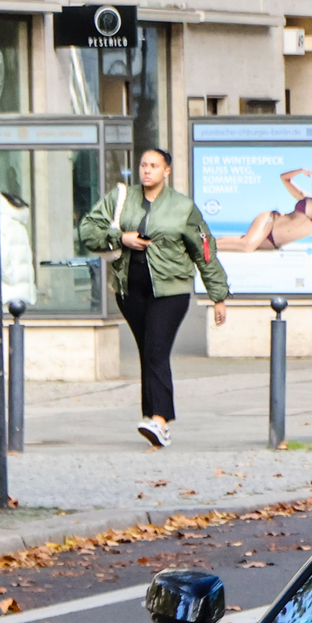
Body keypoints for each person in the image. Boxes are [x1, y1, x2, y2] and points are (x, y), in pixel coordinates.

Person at [76, 147, 229, 449]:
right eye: (144, 165)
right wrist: (121, 237)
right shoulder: (122, 198)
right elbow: (87, 230)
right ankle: (153, 422)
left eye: (154, 166)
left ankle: (160, 419)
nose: (147, 171)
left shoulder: (182, 207)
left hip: (170, 291)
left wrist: (218, 295)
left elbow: (205, 250)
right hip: (129, 291)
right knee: (148, 351)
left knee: (156, 350)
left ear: (166, 171)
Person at [219, 168, 312, 252]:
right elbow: (284, 178)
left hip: (274, 242)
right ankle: (204, 244)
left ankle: (206, 243)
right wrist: (300, 171)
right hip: (271, 221)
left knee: (239, 243)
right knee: (247, 245)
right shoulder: (305, 198)